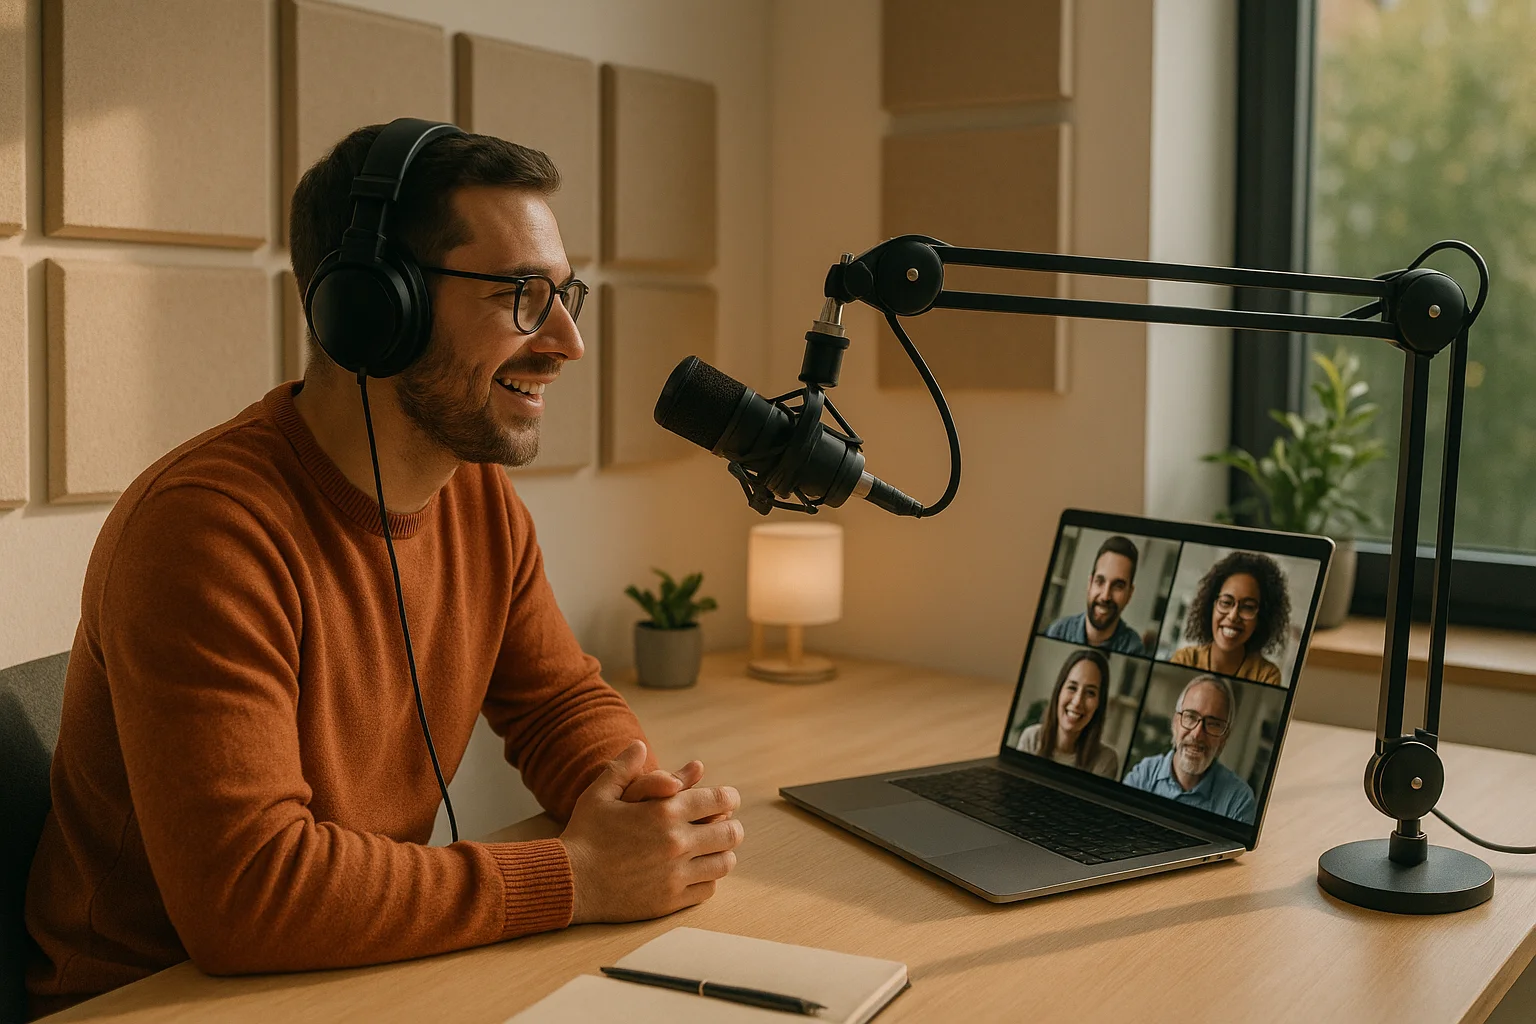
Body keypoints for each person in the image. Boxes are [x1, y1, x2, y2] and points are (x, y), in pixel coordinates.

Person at [24, 125, 744, 1015]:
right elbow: (250, 894)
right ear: (374, 306)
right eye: (521, 294)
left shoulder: (477, 501)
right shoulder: (207, 529)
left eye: (566, 297)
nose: (566, 342)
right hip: (152, 1002)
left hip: (342, 974)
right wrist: (577, 877)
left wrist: (642, 811)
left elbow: (559, 703)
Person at [1122, 675, 1256, 823]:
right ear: (1175, 724)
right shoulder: (1144, 775)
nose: (1197, 734)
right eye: (1191, 717)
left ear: (1224, 738)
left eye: (1213, 723)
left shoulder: (1238, 800)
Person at [1169, 551, 1291, 685]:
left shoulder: (1266, 675)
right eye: (1226, 603)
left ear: (1261, 617)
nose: (1233, 616)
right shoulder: (1185, 659)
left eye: (1248, 607)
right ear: (1212, 606)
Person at [1015, 648, 1121, 778]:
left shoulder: (1105, 761)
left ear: (1099, 703)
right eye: (1072, 687)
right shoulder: (1031, 738)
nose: (1077, 702)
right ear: (1059, 691)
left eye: (1090, 692)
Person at [1045, 535, 1147, 655]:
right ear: (1090, 584)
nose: (1105, 596)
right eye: (1100, 581)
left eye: (1118, 586)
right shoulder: (1058, 631)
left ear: (1129, 594)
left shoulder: (1134, 649)